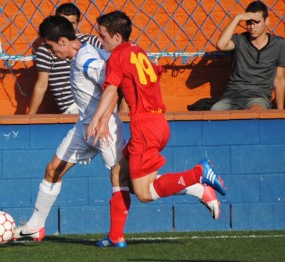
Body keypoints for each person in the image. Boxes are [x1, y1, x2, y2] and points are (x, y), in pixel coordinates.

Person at [86, 11, 227, 247]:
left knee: (143, 193)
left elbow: (111, 88)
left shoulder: (117, 56)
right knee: (118, 173)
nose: (100, 41)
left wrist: (96, 118)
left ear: (116, 36)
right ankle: (115, 236)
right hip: (158, 123)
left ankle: (197, 175)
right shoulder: (137, 51)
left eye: (102, 36)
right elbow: (150, 74)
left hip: (144, 127)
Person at [13, 15, 131, 247]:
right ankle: (35, 227)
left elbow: (113, 81)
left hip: (103, 129)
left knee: (135, 185)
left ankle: (194, 183)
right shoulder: (84, 54)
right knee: (52, 169)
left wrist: (104, 117)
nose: (49, 51)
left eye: (50, 46)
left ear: (64, 41)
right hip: (84, 128)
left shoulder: (86, 58)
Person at [210, 0, 285, 111]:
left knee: (255, 113)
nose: (252, 26)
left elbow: (279, 79)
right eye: (249, 22)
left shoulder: (279, 44)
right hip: (231, 96)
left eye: (256, 22)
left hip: (258, 97)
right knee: (215, 111)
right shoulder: (240, 40)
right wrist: (237, 18)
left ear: (267, 21)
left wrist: (280, 111)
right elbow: (221, 45)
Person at [27, 3, 101, 115]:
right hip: (73, 108)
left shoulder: (89, 42)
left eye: (72, 23)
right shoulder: (48, 48)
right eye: (63, 22)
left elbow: (123, 56)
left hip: (97, 104)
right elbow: (41, 85)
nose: (68, 27)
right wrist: (30, 117)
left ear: (78, 23)